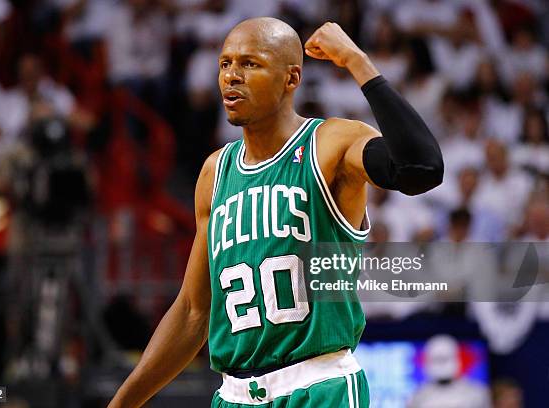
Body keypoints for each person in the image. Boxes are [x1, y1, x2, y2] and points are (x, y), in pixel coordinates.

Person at [108, 17, 443, 407]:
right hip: (234, 395)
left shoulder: (331, 144)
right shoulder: (215, 173)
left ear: (291, 78)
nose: (232, 75)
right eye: (225, 64)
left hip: (318, 385)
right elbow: (192, 312)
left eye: (251, 63)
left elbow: (422, 168)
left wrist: (355, 60)